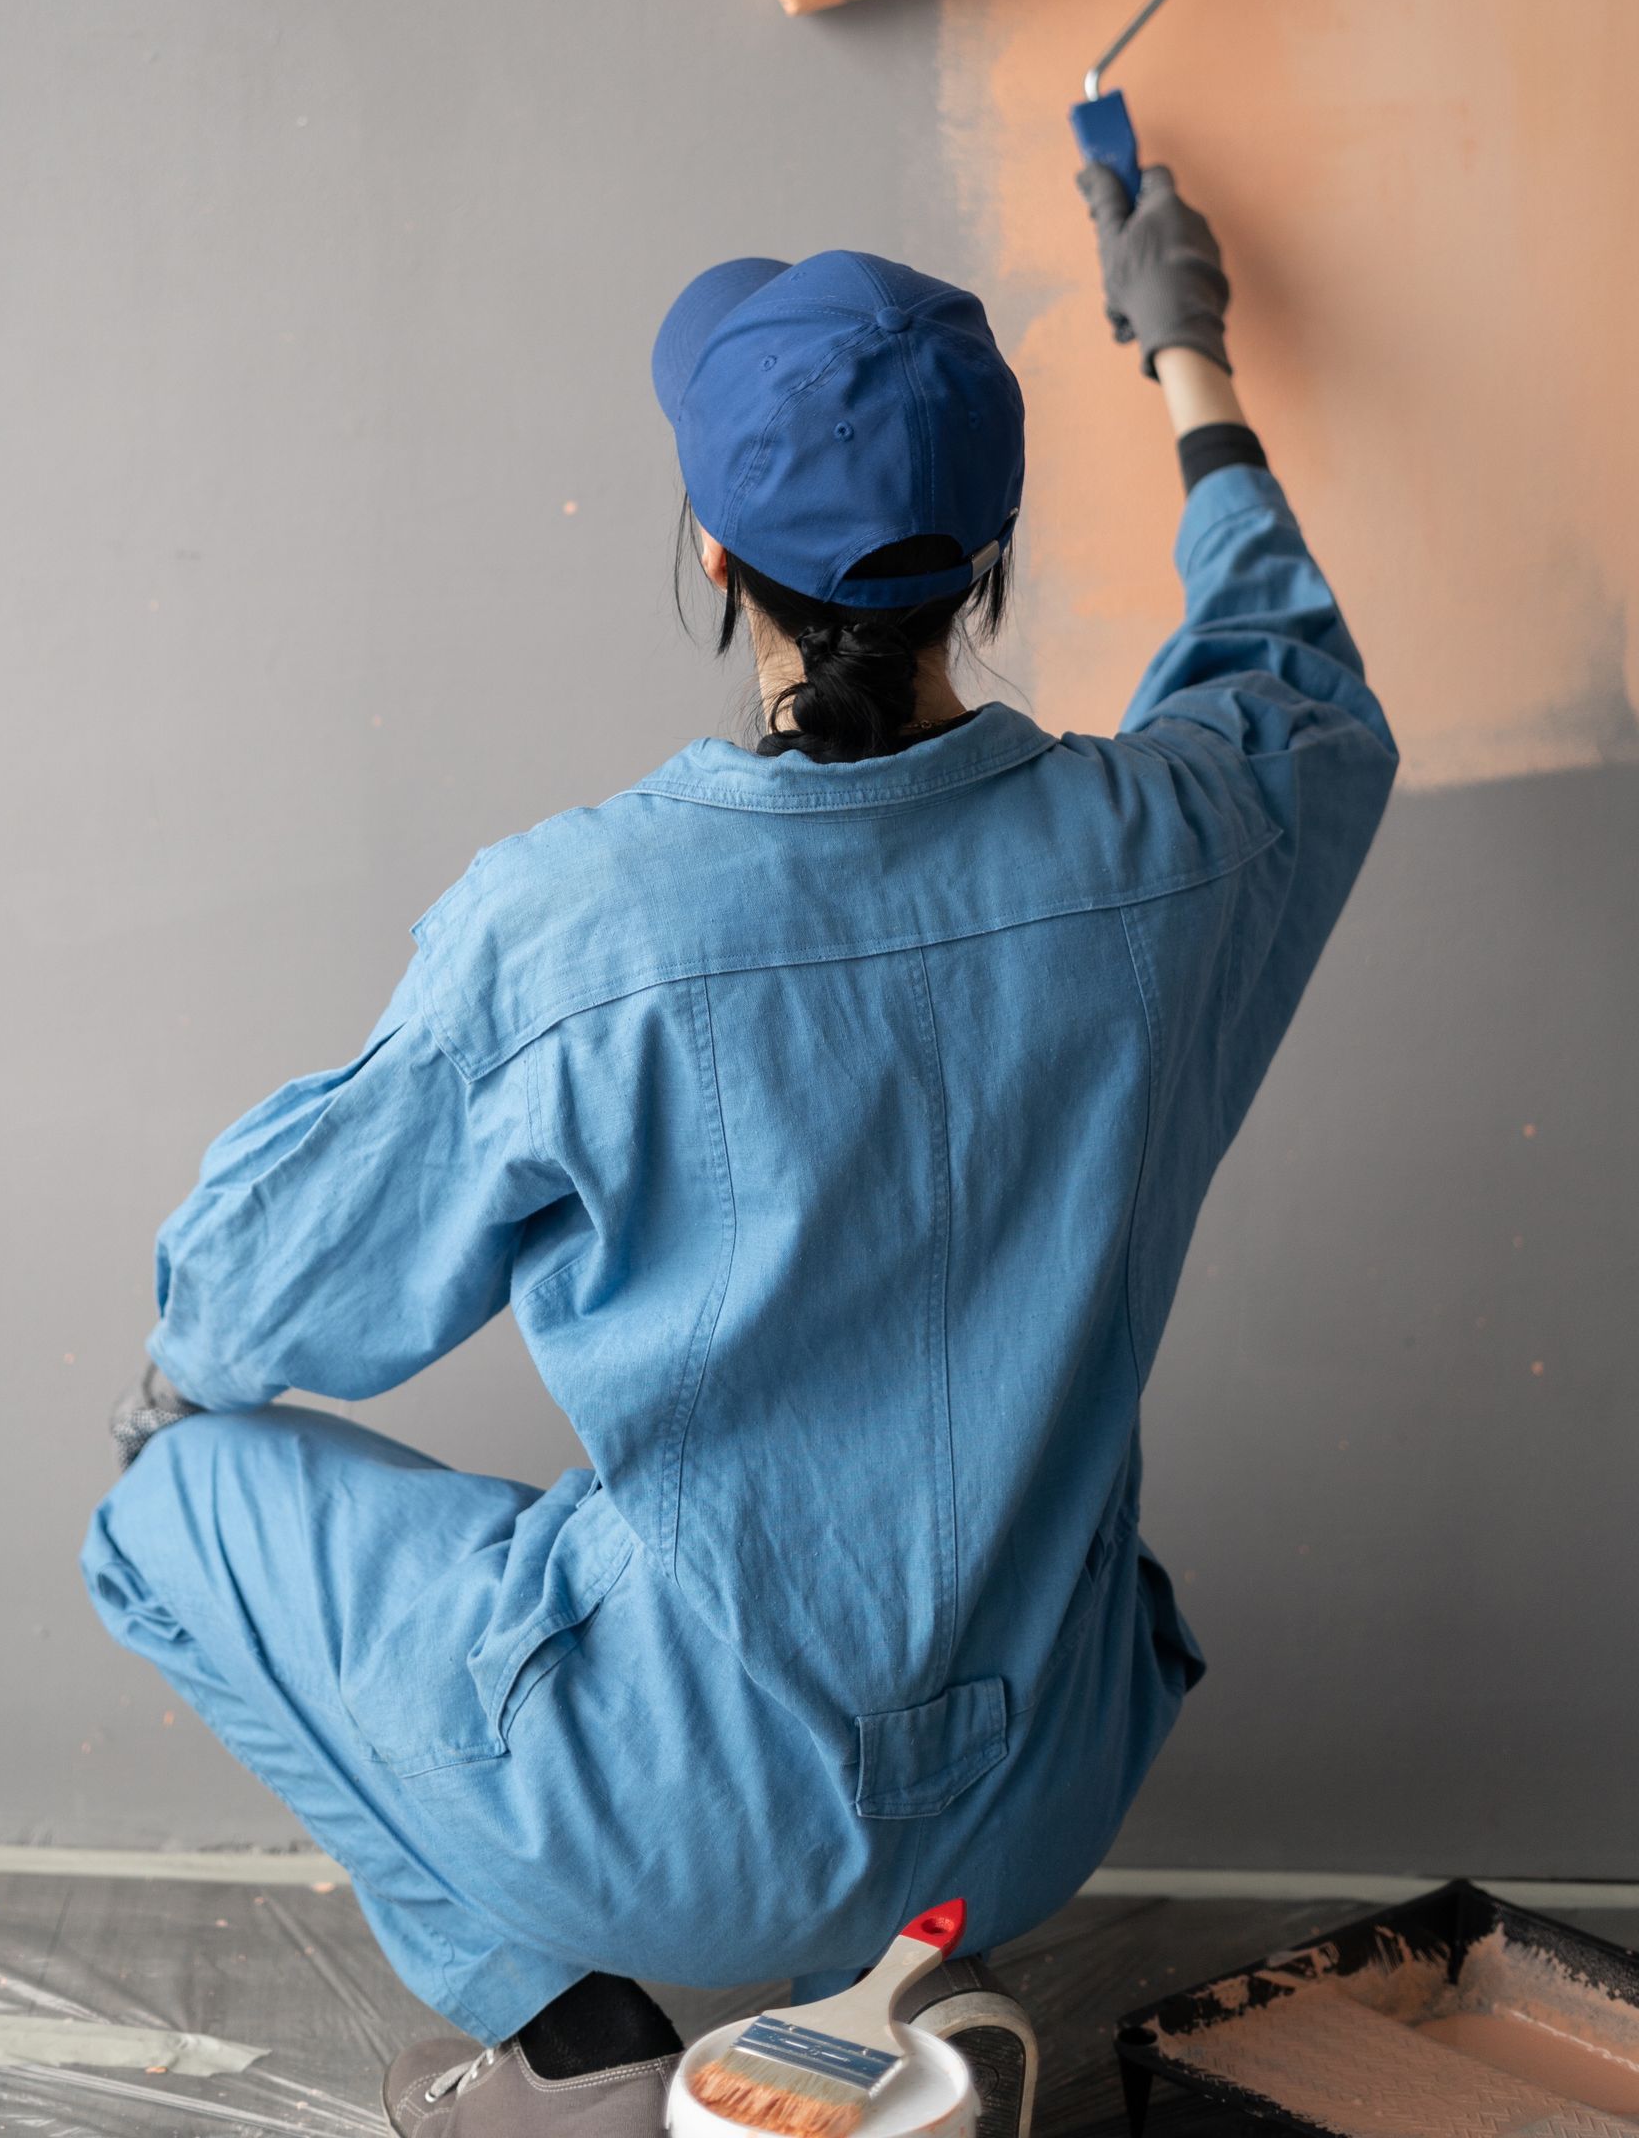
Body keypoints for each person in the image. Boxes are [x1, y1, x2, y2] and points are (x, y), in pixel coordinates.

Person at [83, 163, 1395, 2136]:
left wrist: (170, 1381)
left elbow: (254, 1290)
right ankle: (897, 1971)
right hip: (1037, 1784)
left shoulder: (573, 923)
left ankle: (565, 2044)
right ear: (992, 556)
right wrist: (1183, 341)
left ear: (712, 551)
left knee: (158, 1501)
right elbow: (1298, 671)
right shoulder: (1174, 856)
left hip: (683, 1813)